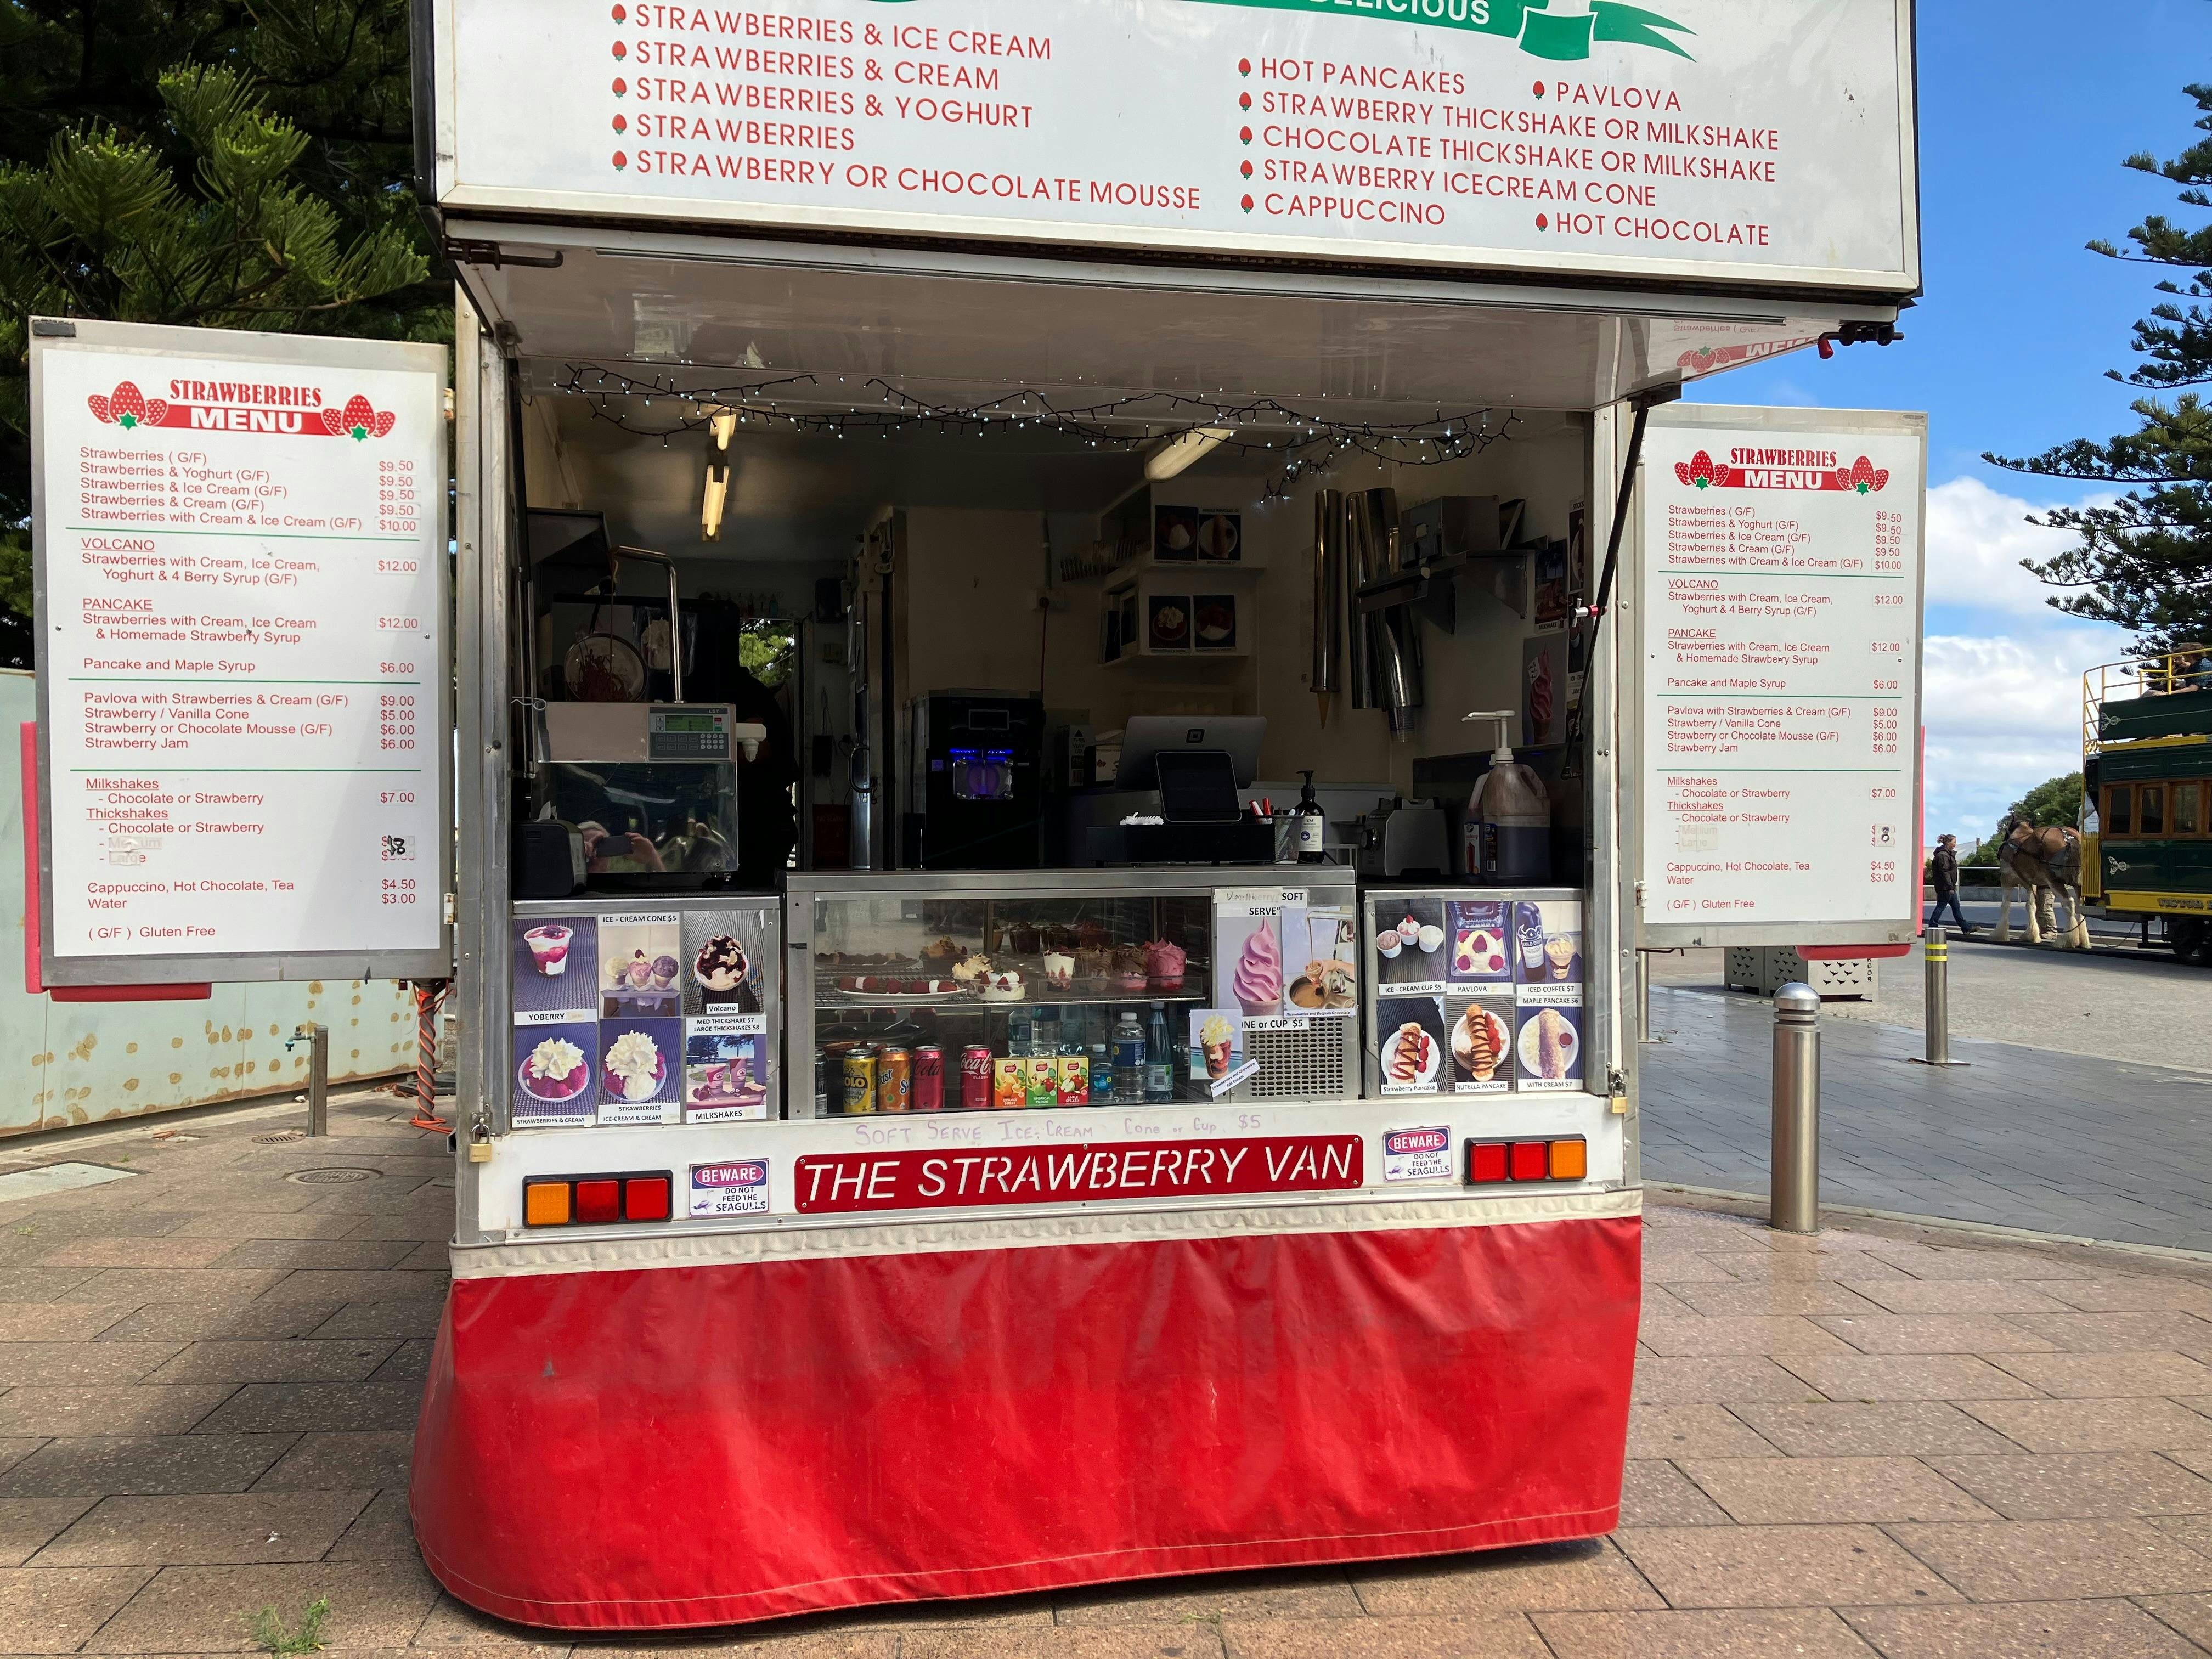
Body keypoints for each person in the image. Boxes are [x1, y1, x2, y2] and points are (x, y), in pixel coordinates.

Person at [1927, 833, 1970, 935]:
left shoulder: (1946, 854)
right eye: (1954, 842)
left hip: (1948, 887)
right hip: (1945, 887)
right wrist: (1950, 886)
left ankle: (1966, 928)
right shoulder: (1943, 855)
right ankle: (1933, 926)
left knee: (1955, 907)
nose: (1955, 844)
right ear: (1948, 842)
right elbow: (1944, 871)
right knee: (1941, 906)